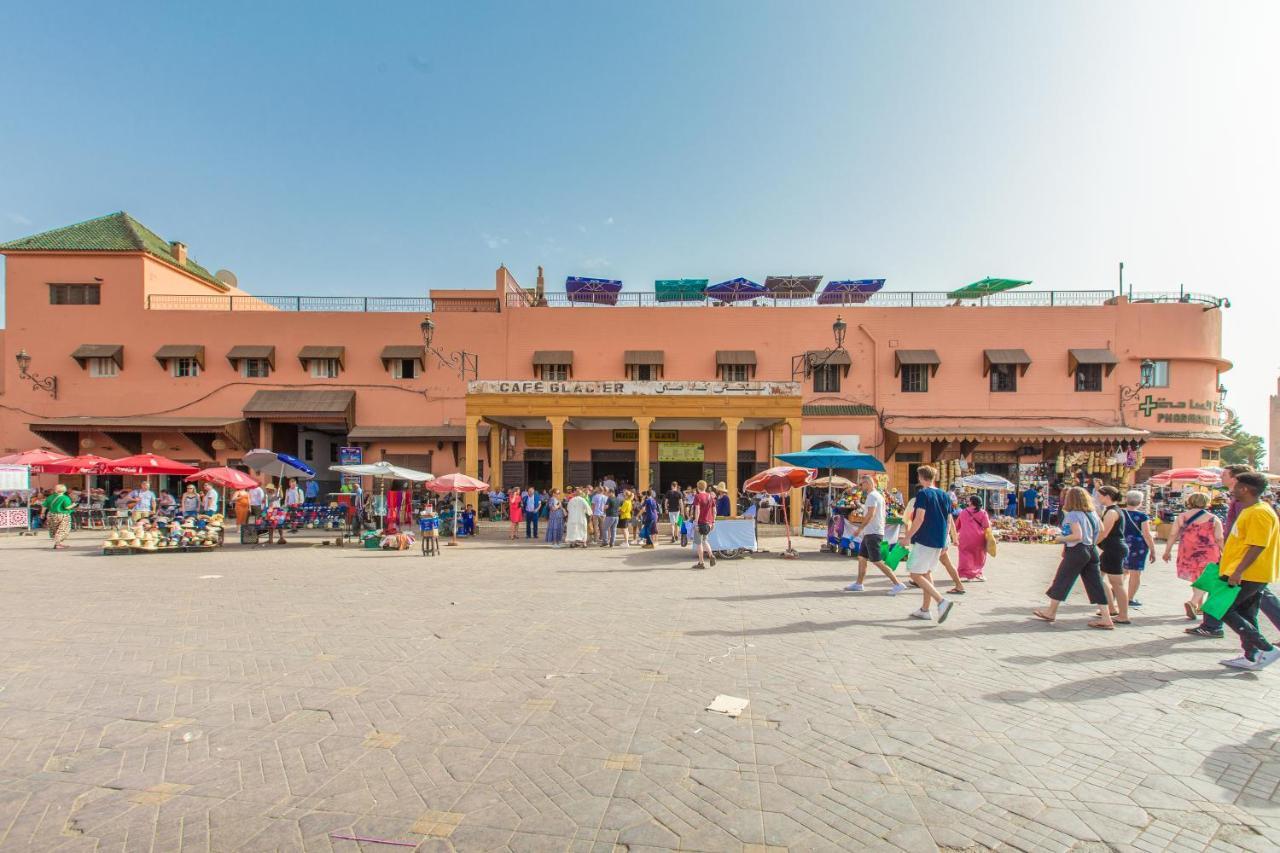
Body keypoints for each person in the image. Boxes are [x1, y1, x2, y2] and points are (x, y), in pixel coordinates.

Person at [1217, 472, 1280, 669]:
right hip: (1246, 571)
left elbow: (1257, 545)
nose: (1232, 490)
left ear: (1245, 489)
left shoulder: (1259, 512)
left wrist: (1238, 571)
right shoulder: (1251, 510)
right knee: (1247, 612)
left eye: (1235, 486)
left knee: (1223, 608)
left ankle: (1266, 648)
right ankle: (1251, 654)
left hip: (1249, 572)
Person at [1033, 487, 1113, 628]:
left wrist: (1059, 538)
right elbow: (1101, 530)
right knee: (1096, 584)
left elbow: (1077, 535)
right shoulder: (1093, 513)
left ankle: (1051, 612)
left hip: (1077, 550)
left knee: (1062, 580)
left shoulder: (1073, 515)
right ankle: (1106, 618)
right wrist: (1093, 541)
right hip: (1091, 549)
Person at [902, 466, 957, 622]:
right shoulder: (945, 495)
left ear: (921, 477)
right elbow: (948, 520)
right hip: (939, 540)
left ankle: (941, 601)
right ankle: (925, 610)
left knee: (915, 574)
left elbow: (919, 518)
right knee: (926, 573)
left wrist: (907, 537)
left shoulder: (923, 494)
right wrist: (946, 539)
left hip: (925, 538)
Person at [845, 474, 906, 594]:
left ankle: (898, 583)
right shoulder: (877, 495)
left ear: (868, 483)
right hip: (871, 532)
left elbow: (871, 514)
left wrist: (859, 529)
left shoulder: (872, 496)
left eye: (862, 484)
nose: (860, 487)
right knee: (862, 558)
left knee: (877, 560)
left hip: (873, 532)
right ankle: (859, 584)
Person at [1095, 486, 1131, 625]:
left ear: (1107, 496)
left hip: (1114, 549)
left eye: (1100, 495)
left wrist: (1091, 544)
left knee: (1117, 584)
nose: (1098, 498)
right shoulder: (1112, 511)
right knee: (1097, 576)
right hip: (1111, 549)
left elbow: (1104, 533)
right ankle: (1111, 608)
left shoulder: (1112, 513)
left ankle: (1123, 615)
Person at [1119, 489, 1156, 607]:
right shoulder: (1142, 516)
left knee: (1121, 571)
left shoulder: (1119, 513)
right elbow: (1147, 534)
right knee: (1135, 573)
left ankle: (1117, 595)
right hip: (1137, 545)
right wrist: (1153, 550)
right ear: (1140, 502)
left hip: (1122, 543)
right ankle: (1129, 598)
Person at [956, 494, 992, 582]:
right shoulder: (983, 512)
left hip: (964, 537)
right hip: (979, 538)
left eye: (969, 500)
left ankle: (966, 573)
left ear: (972, 502)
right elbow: (986, 525)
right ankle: (977, 573)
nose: (967, 502)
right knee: (979, 556)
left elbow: (957, 525)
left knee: (964, 555)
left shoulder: (963, 512)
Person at [691, 480, 717, 569]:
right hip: (708, 523)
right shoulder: (710, 497)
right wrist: (713, 522)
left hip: (700, 523)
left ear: (698, 488)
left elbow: (697, 510)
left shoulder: (697, 497)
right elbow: (714, 511)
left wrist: (695, 523)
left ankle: (701, 563)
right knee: (705, 541)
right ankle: (711, 555)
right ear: (705, 487)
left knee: (699, 543)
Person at [42, 484, 75, 549]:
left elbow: (44, 506)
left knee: (55, 529)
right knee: (63, 529)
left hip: (51, 515)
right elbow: (67, 507)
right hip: (62, 515)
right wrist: (73, 505)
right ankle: (57, 544)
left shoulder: (50, 497)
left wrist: (42, 513)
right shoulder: (65, 498)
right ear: (64, 490)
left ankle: (58, 543)